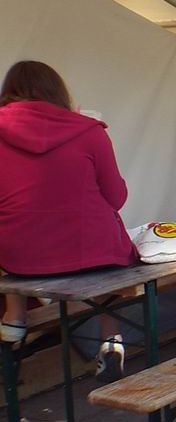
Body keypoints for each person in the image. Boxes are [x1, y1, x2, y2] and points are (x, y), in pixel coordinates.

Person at [0, 60, 136, 382]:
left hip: (21, 257)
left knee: (13, 232)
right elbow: (116, 197)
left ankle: (14, 316)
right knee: (106, 248)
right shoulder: (88, 130)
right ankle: (111, 339)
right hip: (92, 252)